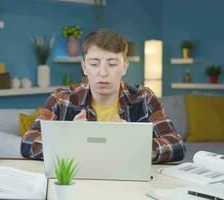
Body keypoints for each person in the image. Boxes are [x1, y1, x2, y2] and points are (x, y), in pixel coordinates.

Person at [21, 29, 185, 163]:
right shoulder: (61, 98)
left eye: (112, 64)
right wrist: (68, 140)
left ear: (124, 67)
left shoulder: (144, 97)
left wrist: (136, 145)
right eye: (94, 64)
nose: (103, 72)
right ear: (84, 67)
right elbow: (28, 141)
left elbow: (176, 144)